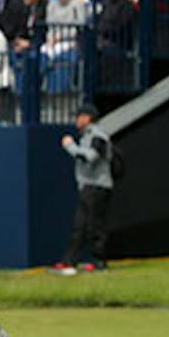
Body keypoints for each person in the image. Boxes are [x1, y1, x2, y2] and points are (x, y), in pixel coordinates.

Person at [56, 104, 118, 274]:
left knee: (95, 225)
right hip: (87, 186)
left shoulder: (98, 136)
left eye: (79, 116)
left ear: (87, 118)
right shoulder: (87, 136)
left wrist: (70, 146)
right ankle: (70, 261)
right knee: (80, 225)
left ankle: (99, 262)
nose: (76, 120)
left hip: (98, 186)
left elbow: (90, 157)